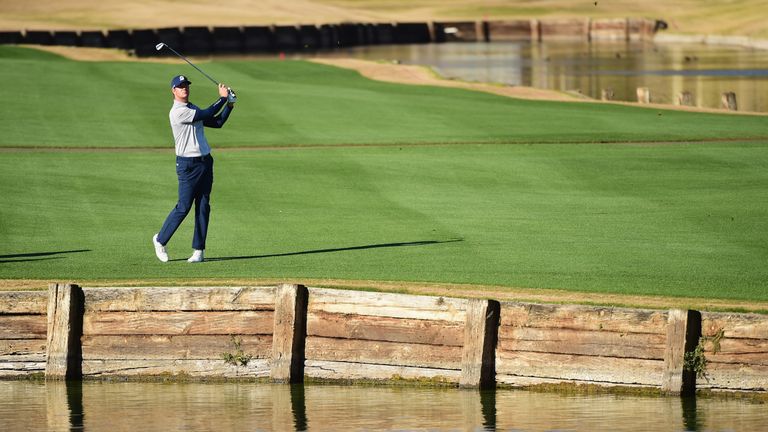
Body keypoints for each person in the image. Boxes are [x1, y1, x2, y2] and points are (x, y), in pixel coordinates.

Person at [152, 74, 236, 263]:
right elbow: (207, 113)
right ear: (173, 90)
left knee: (203, 206)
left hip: (205, 162)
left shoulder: (191, 108)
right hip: (187, 165)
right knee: (183, 207)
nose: (185, 89)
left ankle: (199, 251)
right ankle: (160, 239)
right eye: (180, 86)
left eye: (186, 86)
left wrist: (229, 105)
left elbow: (216, 122)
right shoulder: (178, 112)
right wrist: (222, 97)